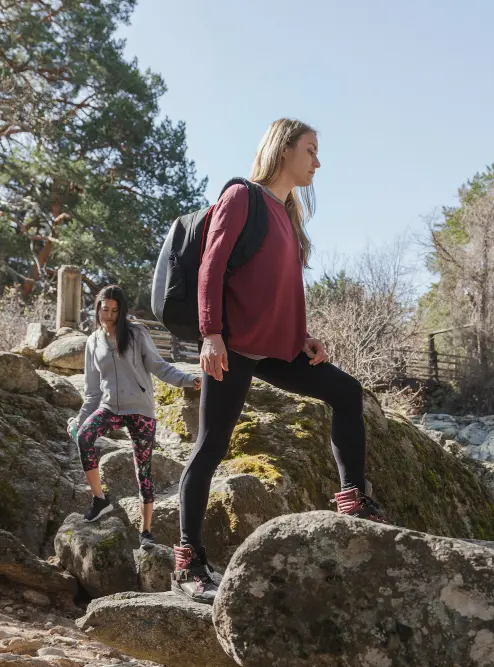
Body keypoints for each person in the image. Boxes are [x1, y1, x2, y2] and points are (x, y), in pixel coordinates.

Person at [171, 118, 385, 603]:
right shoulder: (242, 197)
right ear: (283, 150)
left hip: (276, 349)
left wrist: (303, 337)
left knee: (346, 393)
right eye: (310, 149)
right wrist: (210, 335)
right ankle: (187, 562)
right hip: (234, 347)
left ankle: (353, 501)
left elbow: (279, 289)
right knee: (211, 447)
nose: (318, 161)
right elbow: (212, 265)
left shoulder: (288, 216)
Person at [68, 285, 201, 550]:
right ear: (97, 308)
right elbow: (92, 391)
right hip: (109, 408)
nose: (108, 315)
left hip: (140, 409)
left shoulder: (137, 333)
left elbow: (158, 366)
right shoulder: (93, 342)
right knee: (84, 437)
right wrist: (81, 419)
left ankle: (146, 531)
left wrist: (188, 379)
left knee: (143, 469)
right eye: (104, 309)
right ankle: (99, 499)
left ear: (121, 311)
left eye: (114, 310)